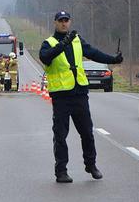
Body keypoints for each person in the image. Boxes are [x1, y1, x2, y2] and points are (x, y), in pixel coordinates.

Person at [39, 11, 123, 183]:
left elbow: (94, 53)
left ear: (70, 22)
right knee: (61, 135)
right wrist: (63, 44)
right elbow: (45, 58)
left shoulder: (77, 40)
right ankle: (61, 171)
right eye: (60, 21)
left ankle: (91, 165)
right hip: (61, 96)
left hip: (79, 94)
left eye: (66, 20)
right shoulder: (49, 43)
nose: (64, 23)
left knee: (87, 132)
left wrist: (113, 59)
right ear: (55, 23)